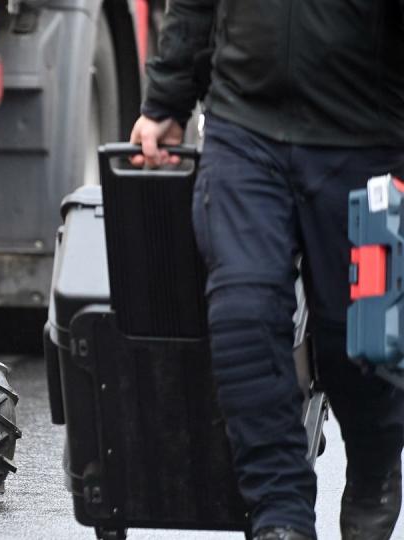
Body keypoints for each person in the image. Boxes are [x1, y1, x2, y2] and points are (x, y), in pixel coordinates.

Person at [129, 2, 404, 539]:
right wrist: (167, 99)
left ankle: (373, 467)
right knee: (244, 317)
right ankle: (281, 513)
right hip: (245, 134)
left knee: (362, 342)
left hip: (367, 145)